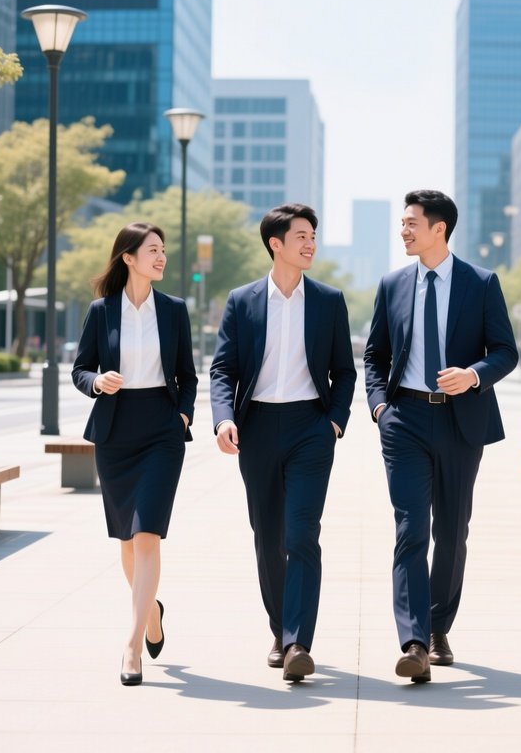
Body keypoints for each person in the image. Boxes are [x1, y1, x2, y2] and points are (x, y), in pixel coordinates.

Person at [364, 189, 518, 683]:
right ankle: (412, 641)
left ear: (439, 229)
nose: (404, 230)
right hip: (404, 419)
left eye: (412, 223)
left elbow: (506, 351)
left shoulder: (480, 282)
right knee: (410, 529)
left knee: (452, 530)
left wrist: (474, 375)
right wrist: (380, 407)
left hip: (460, 421)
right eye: (402, 223)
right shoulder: (392, 284)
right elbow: (375, 356)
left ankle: (437, 626)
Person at [210, 203, 356, 682]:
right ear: (276, 244)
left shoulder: (329, 301)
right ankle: (280, 627)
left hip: (310, 429)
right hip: (257, 430)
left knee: (301, 534)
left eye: (313, 235)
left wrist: (334, 421)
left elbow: (344, 370)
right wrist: (223, 419)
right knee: (268, 536)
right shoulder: (243, 300)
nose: (310, 243)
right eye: (301, 236)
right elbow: (223, 369)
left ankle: (297, 642)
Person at [72, 222, 197, 686]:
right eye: (153, 250)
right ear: (128, 257)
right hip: (116, 432)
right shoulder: (102, 311)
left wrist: (182, 416)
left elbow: (188, 374)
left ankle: (131, 646)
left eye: (164, 250)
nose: (162, 257)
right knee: (126, 539)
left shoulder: (174, 310)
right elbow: (80, 368)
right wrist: (97, 382)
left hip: (162, 432)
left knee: (147, 534)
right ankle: (152, 614)